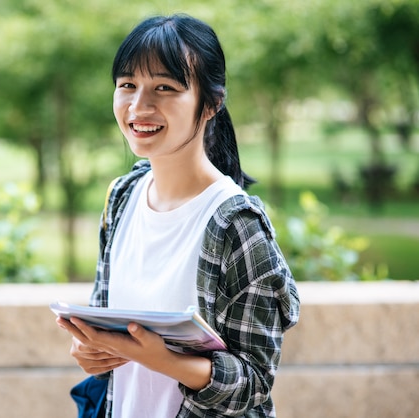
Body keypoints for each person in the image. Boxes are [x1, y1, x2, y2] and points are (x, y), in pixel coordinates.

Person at [56, 13, 300, 418]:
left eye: (164, 87)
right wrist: (91, 350)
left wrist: (163, 359)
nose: (139, 106)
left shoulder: (236, 224)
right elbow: (104, 321)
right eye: (127, 85)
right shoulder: (122, 197)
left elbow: (255, 383)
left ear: (211, 104)